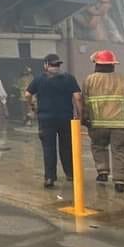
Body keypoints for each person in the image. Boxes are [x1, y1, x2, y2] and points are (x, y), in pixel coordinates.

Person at [82, 50, 124, 193]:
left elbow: (84, 101)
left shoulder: (89, 80)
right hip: (121, 124)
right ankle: (120, 181)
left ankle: (102, 172)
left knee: (98, 146)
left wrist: (84, 118)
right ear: (113, 64)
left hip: (98, 123)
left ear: (97, 64)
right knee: (121, 151)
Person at [25, 54, 83, 188]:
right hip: (65, 118)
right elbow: (78, 97)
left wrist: (32, 106)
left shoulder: (39, 80)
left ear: (46, 65)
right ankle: (70, 174)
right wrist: (80, 115)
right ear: (58, 65)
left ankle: (50, 178)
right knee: (67, 147)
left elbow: (27, 94)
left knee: (48, 148)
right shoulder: (69, 78)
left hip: (46, 119)